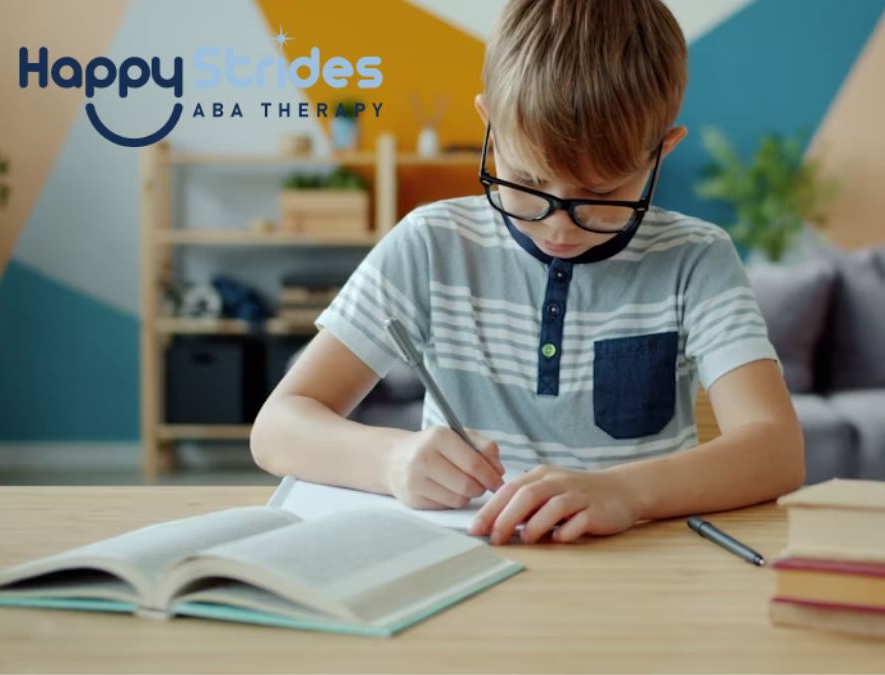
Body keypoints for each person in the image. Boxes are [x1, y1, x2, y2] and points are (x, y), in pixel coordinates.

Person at [251, 0, 804, 546]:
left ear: (662, 151)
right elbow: (277, 428)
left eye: (601, 194)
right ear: (489, 123)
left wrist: (625, 492)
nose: (559, 225)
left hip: (643, 578)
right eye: (528, 181)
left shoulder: (697, 258)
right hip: (462, 566)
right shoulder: (431, 245)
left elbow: (776, 449)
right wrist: (390, 458)